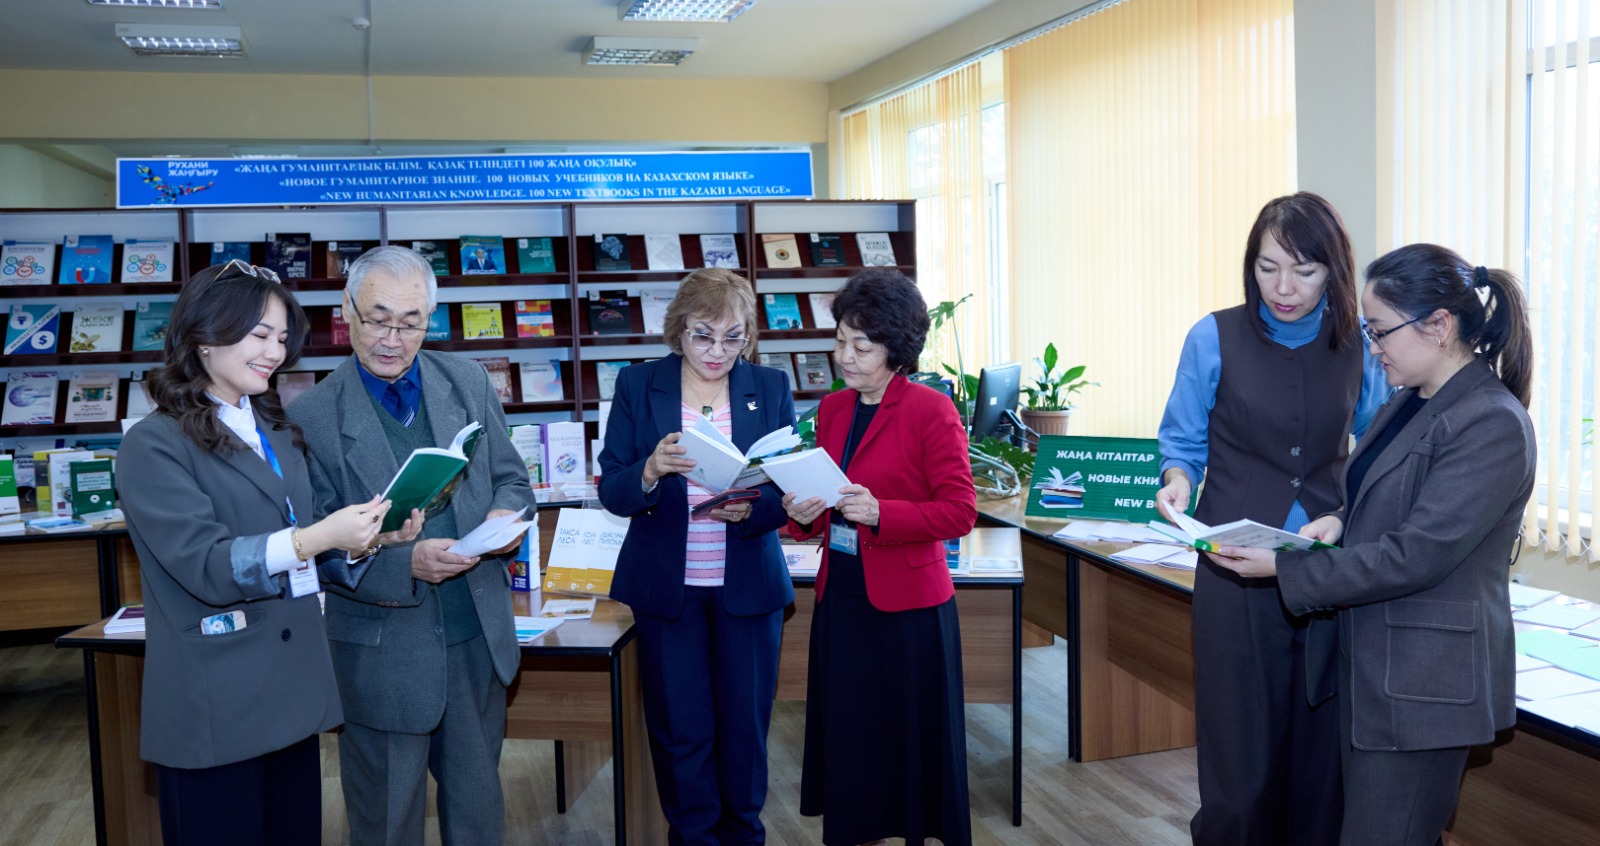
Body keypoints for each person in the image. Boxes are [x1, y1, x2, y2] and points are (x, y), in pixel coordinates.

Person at [1207, 244, 1535, 846]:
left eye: (1380, 331)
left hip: (1423, 688)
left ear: (1439, 326)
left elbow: (1416, 554)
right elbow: (1374, 496)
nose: (1373, 347)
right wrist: (1337, 520)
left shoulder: (1491, 422)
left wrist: (1284, 570)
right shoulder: (1409, 400)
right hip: (1371, 667)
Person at [117, 259, 420, 846]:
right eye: (259, 335)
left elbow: (300, 545)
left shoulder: (275, 429)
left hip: (293, 695)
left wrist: (369, 540)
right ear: (204, 337)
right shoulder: (154, 445)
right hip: (218, 704)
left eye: (282, 338)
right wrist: (320, 535)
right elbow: (209, 566)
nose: (275, 353)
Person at [1155, 192, 1390, 846]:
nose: (1283, 288)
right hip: (1232, 568)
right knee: (1240, 757)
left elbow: (1376, 448)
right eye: (1267, 268)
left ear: (1334, 271)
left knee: (1320, 756)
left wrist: (1347, 516)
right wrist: (1178, 482)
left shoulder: (1361, 345)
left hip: (1323, 569)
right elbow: (1182, 442)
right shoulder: (1213, 337)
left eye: (1304, 271)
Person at [287, 245, 536, 846]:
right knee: (386, 824)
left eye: (411, 323)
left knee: (477, 817)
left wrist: (504, 515)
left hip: (475, 637)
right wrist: (406, 564)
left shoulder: (467, 381)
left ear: (430, 319)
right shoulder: (312, 416)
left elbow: (513, 479)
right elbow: (316, 548)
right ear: (346, 310)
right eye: (377, 320)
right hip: (382, 655)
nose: (392, 340)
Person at [597, 267, 795, 845]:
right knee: (681, 735)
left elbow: (785, 491)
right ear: (679, 329)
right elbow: (613, 489)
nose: (717, 351)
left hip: (748, 591)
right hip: (668, 593)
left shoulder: (770, 386)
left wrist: (751, 510)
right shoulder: (639, 384)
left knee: (745, 734)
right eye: (703, 335)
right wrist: (650, 470)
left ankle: (745, 836)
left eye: (733, 338)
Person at [782, 268, 977, 846]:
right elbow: (825, 503)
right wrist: (801, 509)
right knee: (851, 737)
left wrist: (881, 513)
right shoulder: (833, 409)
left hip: (907, 609)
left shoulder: (930, 410)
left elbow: (959, 511)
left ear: (896, 348)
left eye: (861, 346)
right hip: (842, 597)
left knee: (905, 744)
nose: (845, 356)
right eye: (840, 341)